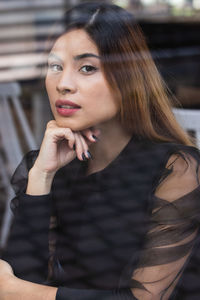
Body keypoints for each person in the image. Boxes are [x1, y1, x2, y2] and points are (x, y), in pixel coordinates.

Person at [1, 2, 200, 299]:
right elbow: (19, 279)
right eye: (55, 66)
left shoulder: (176, 170)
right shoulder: (52, 164)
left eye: (87, 68)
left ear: (128, 79)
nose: (63, 84)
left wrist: (21, 291)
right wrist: (41, 176)